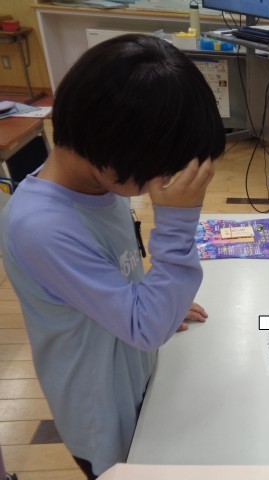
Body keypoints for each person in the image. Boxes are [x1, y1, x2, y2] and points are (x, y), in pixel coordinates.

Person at [0, 34, 225, 478]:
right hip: (104, 418)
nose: (165, 181)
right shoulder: (41, 228)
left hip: (135, 376)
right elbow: (146, 328)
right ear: (116, 152)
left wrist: (154, 299)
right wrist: (177, 223)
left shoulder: (99, 186)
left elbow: (119, 283)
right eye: (163, 170)